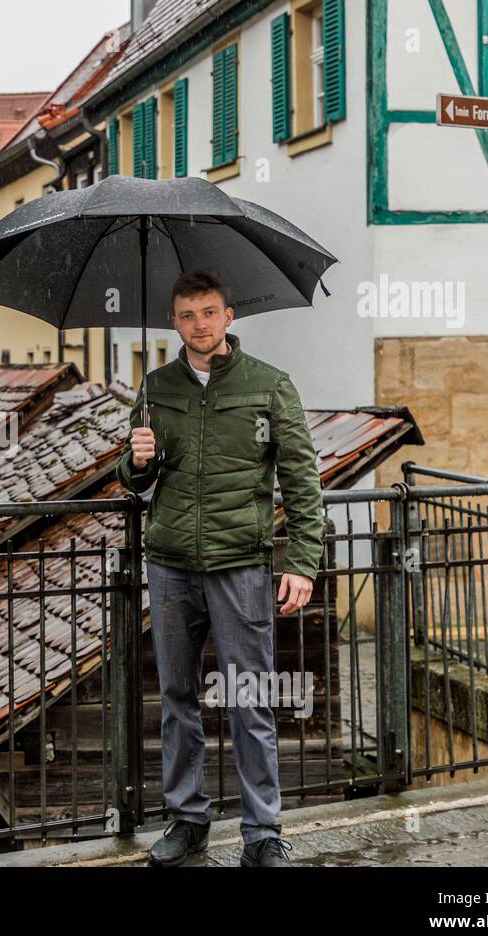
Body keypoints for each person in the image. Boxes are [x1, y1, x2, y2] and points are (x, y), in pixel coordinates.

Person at [115, 269, 323, 868]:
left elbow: (302, 482)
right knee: (178, 696)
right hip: (171, 565)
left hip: (241, 566)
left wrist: (302, 562)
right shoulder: (156, 387)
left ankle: (262, 834)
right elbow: (135, 480)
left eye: (209, 312)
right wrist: (137, 461)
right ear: (174, 322)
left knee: (249, 699)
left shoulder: (270, 386)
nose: (199, 324)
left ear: (229, 316)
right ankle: (188, 820)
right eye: (187, 315)